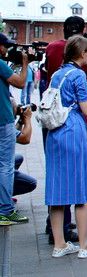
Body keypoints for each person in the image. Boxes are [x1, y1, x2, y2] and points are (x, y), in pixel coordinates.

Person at [46, 35, 87, 259]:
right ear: (82, 53)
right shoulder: (78, 75)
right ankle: (84, 246)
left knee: (57, 190)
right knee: (81, 189)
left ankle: (59, 244)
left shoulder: (57, 74)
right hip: (73, 130)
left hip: (55, 133)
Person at [0, 33, 29, 225]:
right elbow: (20, 82)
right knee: (6, 166)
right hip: (3, 119)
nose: (7, 50)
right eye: (5, 46)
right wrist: (25, 63)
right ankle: (5, 210)